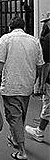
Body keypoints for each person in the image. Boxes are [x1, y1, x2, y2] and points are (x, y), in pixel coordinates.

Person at [0, 16, 44, 160]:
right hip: (27, 84)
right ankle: (15, 137)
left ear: (10, 26)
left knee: (14, 117)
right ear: (24, 26)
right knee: (21, 114)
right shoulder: (34, 41)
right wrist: (35, 80)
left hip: (11, 85)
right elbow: (40, 65)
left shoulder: (6, 39)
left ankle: (21, 150)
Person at [25, 13, 50, 142]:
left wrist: (42, 82)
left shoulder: (47, 39)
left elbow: (46, 63)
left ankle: (39, 131)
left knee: (48, 104)